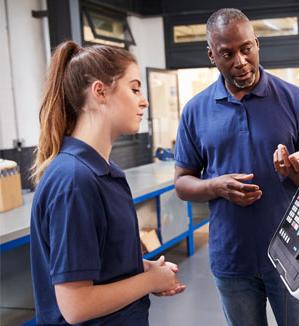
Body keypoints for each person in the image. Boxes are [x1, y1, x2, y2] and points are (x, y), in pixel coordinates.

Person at [174, 8, 299, 326]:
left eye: (246, 49)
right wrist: (216, 186)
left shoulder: (296, 100)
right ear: (212, 55)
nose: (239, 61)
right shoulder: (195, 111)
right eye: (227, 53)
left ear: (257, 44)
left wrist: (297, 171)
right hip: (232, 259)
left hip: (293, 256)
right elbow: (182, 182)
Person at [30, 41, 185, 325]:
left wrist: (143, 268)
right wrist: (149, 281)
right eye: (135, 88)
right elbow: (76, 305)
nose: (144, 100)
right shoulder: (74, 181)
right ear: (100, 91)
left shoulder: (104, 171)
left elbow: (99, 262)